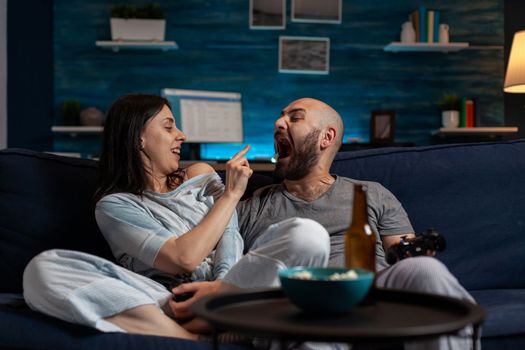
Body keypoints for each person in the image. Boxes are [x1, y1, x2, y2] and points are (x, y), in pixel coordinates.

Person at [170, 98, 478, 350]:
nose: (279, 123)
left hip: (372, 293)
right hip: (300, 303)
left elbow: (405, 255)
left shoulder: (371, 193)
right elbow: (216, 257)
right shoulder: (252, 205)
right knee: (311, 331)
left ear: (326, 137)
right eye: (280, 117)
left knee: (425, 270)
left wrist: (414, 256)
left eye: (295, 117)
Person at [22, 94, 330, 340]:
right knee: (42, 269)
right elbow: (182, 259)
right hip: (163, 299)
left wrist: (221, 287)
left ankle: (217, 316)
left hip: (230, 288)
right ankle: (191, 336)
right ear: (138, 139)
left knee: (307, 234)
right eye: (169, 127)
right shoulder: (115, 206)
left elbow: (229, 235)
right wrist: (232, 195)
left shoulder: (201, 175)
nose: (181, 135)